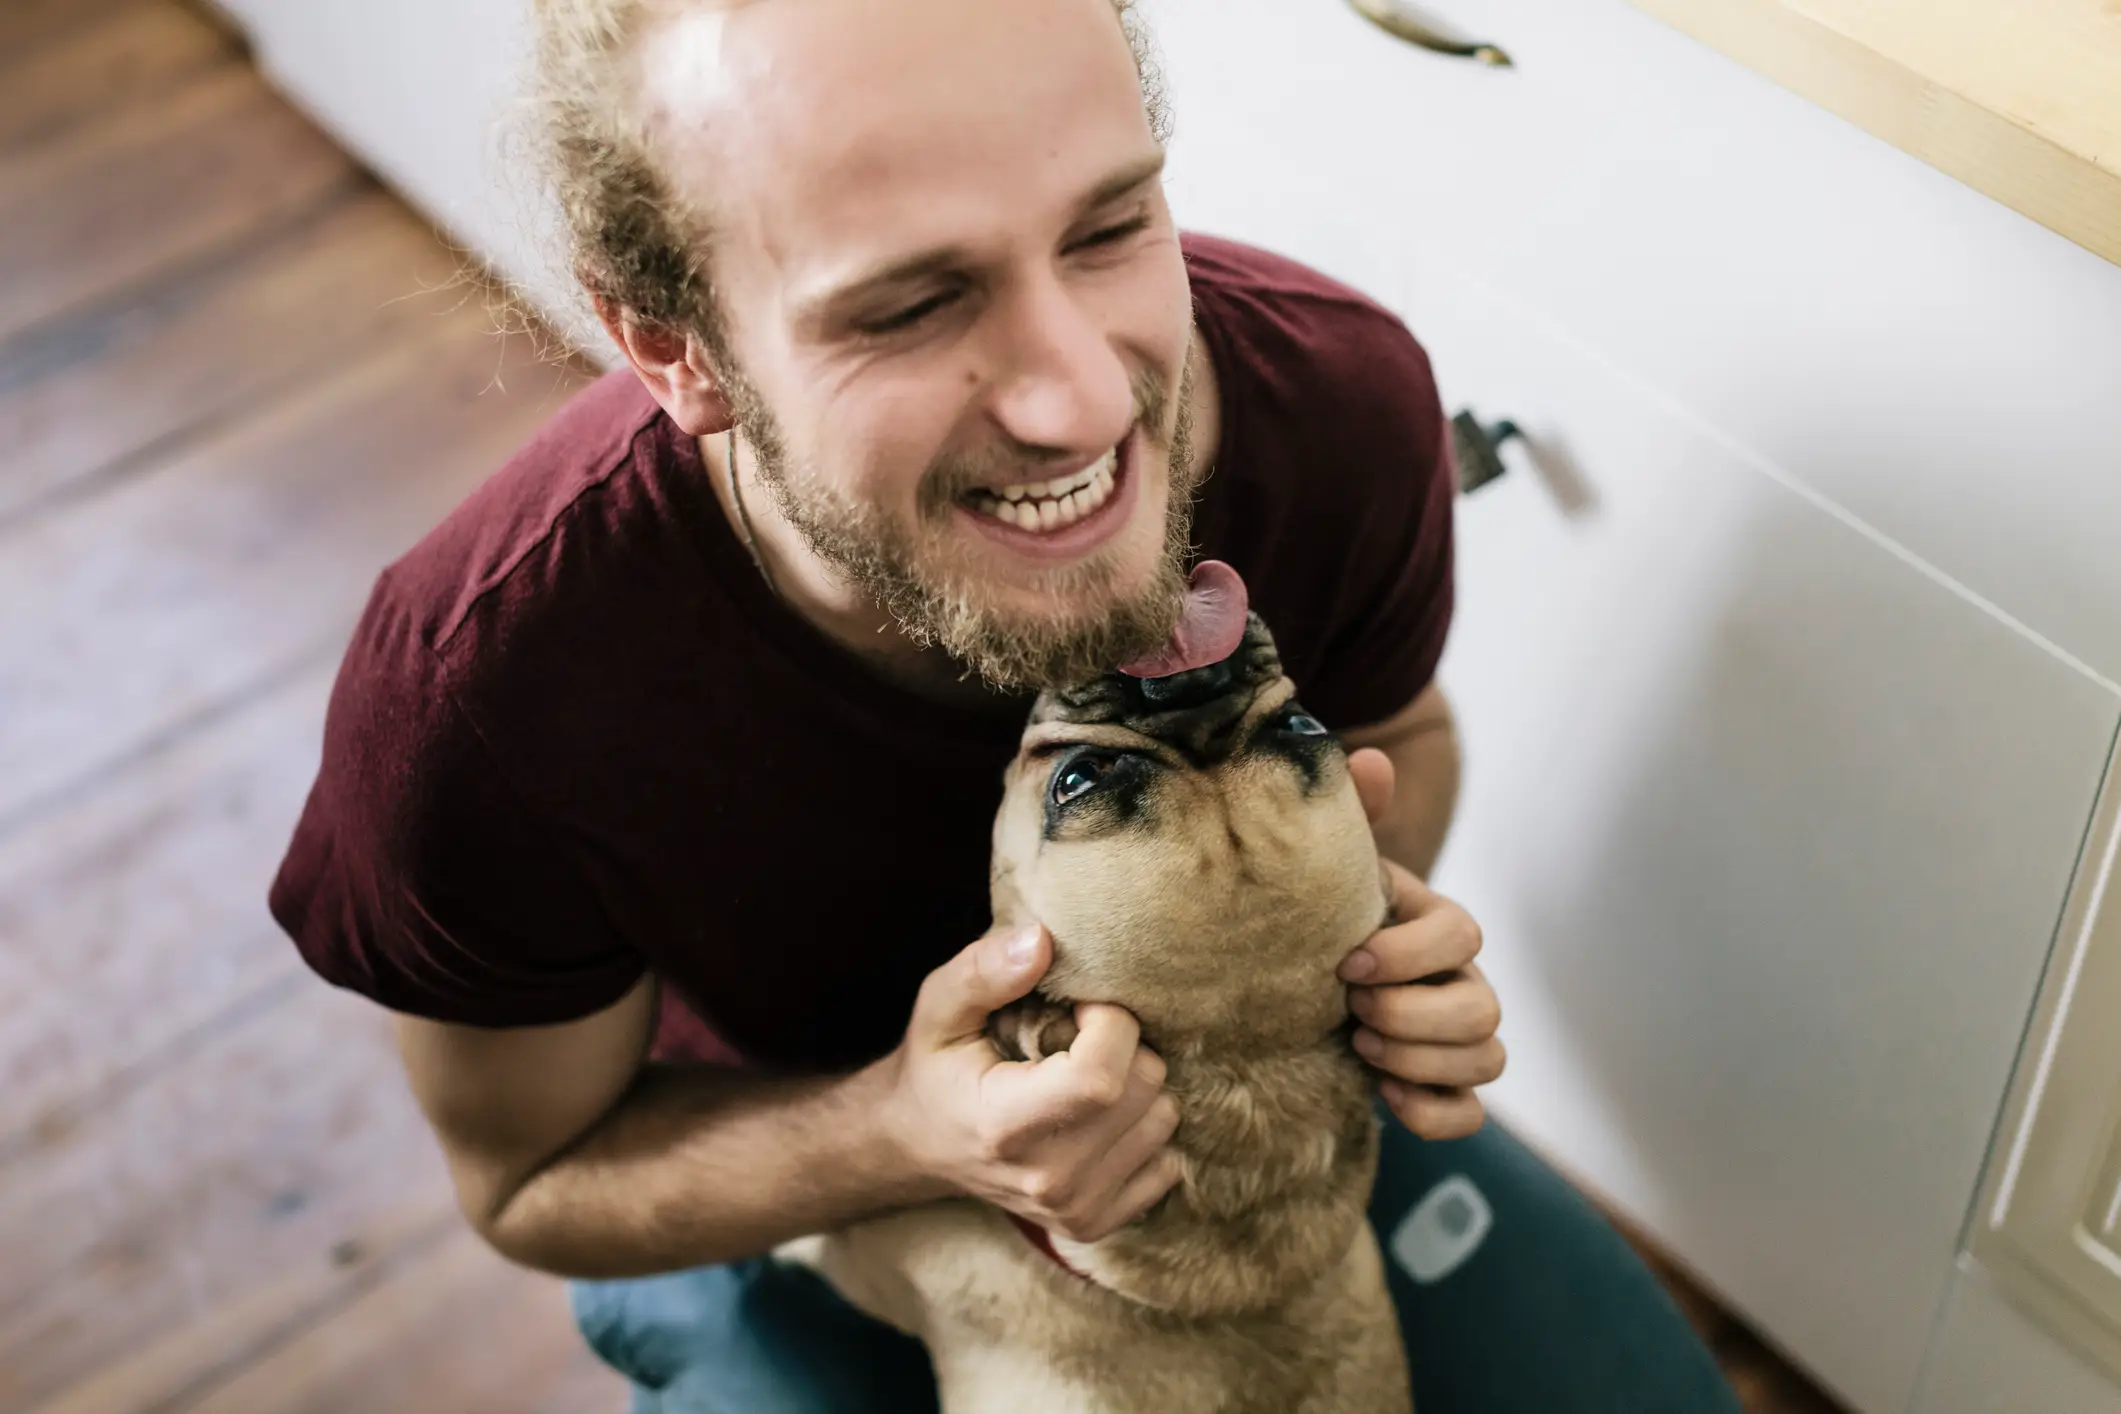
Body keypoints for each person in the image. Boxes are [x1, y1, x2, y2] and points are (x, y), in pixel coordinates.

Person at [268, 0, 1741, 1408]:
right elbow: (531, 1176)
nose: (1086, 403)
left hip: (1244, 1140)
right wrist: (899, 1133)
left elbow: (1403, 740)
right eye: (910, 305)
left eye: (1110, 226)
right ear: (677, 348)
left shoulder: (1341, 407)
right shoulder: (484, 693)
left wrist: (1337, 942)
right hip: (788, 1189)